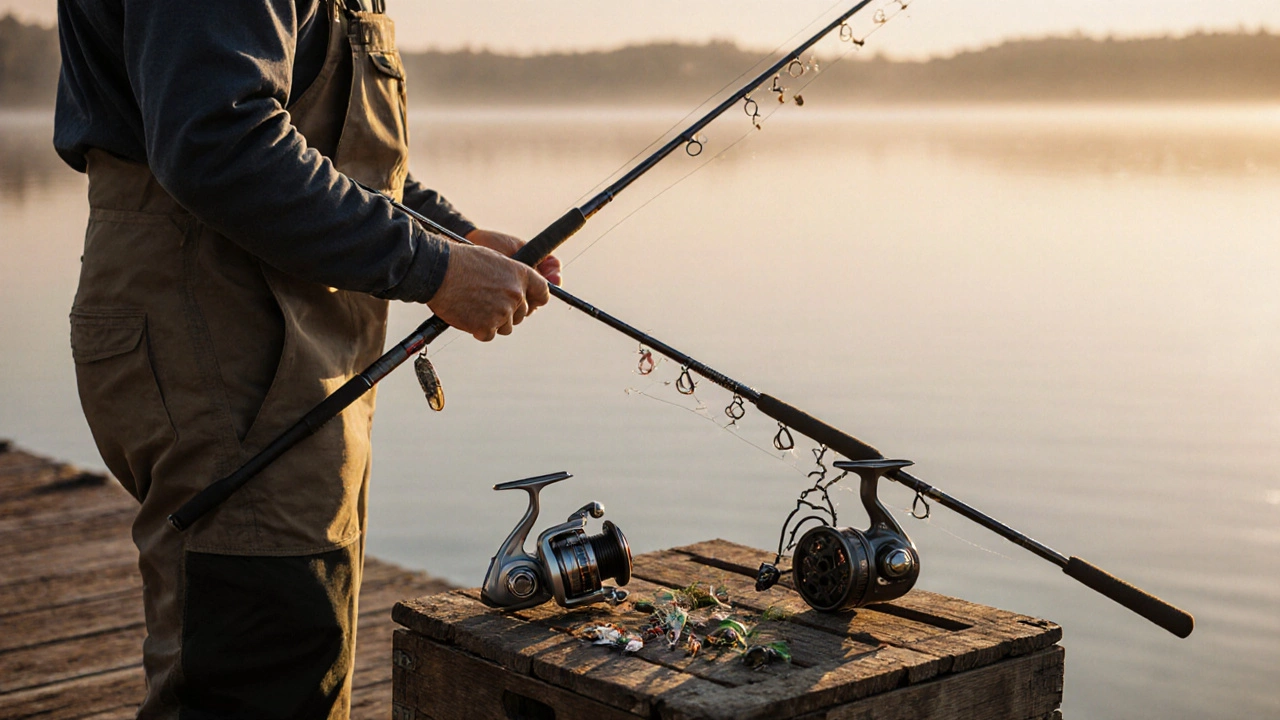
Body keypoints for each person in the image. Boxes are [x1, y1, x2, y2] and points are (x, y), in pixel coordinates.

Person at [54, 0, 557, 716]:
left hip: (283, 332)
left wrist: (455, 238)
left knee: (299, 631)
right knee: (265, 656)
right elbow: (219, 139)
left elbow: (318, 143)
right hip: (216, 330)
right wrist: (436, 270)